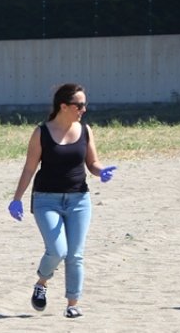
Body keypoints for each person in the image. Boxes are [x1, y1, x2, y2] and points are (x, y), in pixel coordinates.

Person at [8, 83, 116, 318]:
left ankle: (72, 304)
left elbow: (92, 163)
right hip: (47, 199)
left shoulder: (85, 130)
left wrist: (101, 171)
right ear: (64, 106)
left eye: (84, 105)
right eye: (79, 105)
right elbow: (29, 168)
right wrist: (17, 199)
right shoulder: (41, 133)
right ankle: (42, 282)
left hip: (79, 199)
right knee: (57, 250)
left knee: (75, 254)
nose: (84, 109)